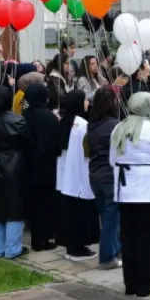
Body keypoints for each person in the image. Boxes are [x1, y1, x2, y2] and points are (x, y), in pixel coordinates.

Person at [111, 92, 150, 297]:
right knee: (148, 236)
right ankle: (146, 283)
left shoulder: (118, 127)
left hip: (125, 190)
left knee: (128, 237)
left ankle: (130, 283)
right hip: (148, 191)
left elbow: (113, 160)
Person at [0, 87, 32, 259]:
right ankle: (12, 248)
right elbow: (28, 142)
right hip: (14, 164)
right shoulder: (18, 120)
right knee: (15, 206)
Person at [57, 90, 100, 262]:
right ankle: (77, 248)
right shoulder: (81, 124)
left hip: (66, 175)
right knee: (79, 212)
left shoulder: (65, 122)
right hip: (80, 173)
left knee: (70, 210)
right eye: (84, 100)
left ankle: (72, 245)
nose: (87, 103)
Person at [21, 83, 60, 251]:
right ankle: (45, 238)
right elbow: (56, 142)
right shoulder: (48, 117)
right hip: (47, 166)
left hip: (29, 165)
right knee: (47, 204)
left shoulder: (25, 115)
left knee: (34, 204)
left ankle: (36, 239)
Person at [85, 88, 122, 269]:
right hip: (110, 175)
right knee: (111, 219)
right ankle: (107, 257)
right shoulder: (116, 125)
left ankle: (114, 250)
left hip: (94, 175)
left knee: (105, 216)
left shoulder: (90, 125)